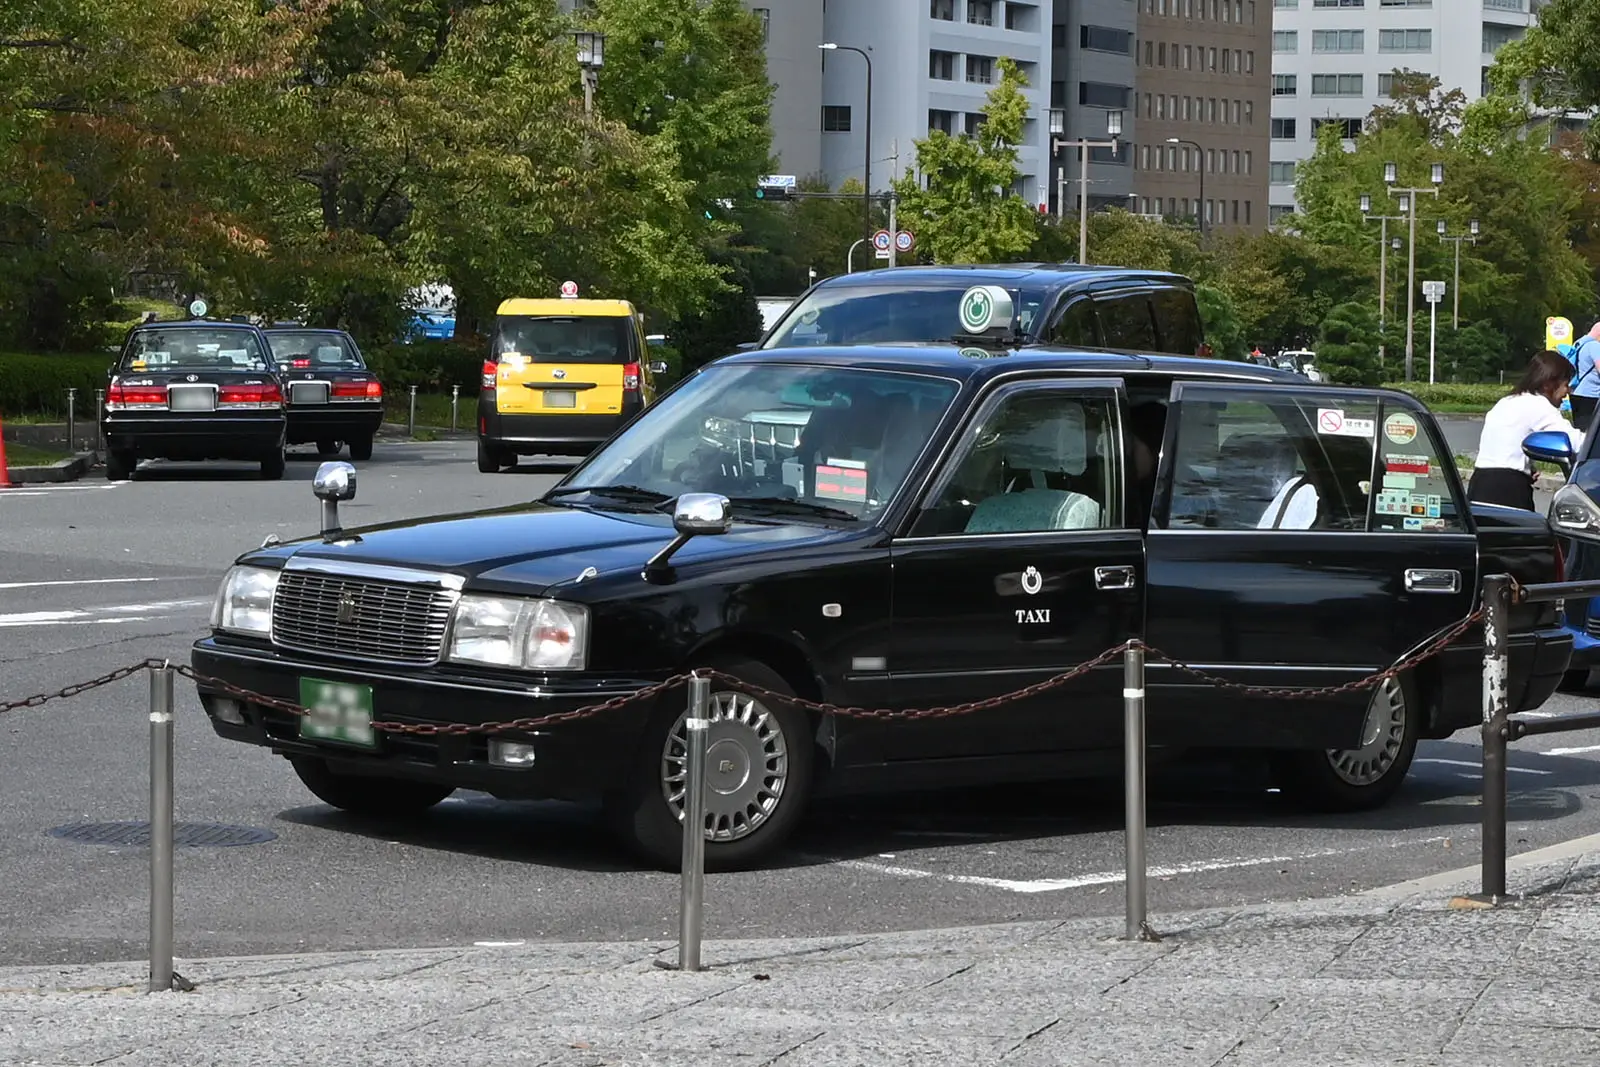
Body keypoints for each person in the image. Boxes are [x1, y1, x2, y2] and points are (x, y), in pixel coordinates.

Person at [1469, 350, 1586, 511]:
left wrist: (1526, 468)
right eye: (1566, 385)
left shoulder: (1506, 401)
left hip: (1479, 485)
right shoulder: (1538, 404)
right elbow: (1576, 443)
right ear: (1548, 384)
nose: (1567, 392)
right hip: (1507, 491)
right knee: (1529, 534)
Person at [1568, 323, 1600, 430]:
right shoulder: (1595, 346)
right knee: (1590, 432)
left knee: (1581, 429)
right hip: (1591, 395)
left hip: (1576, 391)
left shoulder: (1578, 343)